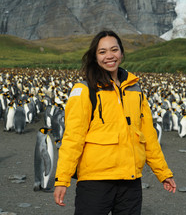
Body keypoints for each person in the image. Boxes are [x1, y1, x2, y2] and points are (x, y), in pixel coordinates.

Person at [53, 30, 176, 214]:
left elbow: (148, 136)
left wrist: (163, 173)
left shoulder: (135, 89)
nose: (109, 56)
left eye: (114, 50)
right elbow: (73, 138)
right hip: (95, 181)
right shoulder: (85, 90)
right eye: (102, 52)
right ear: (95, 57)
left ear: (122, 53)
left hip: (130, 181)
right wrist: (62, 180)